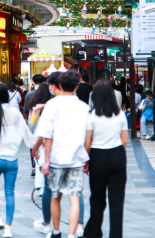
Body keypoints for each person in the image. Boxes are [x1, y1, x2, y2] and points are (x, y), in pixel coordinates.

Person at [38, 71, 90, 238]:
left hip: (56, 159)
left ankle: (56, 231)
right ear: (76, 86)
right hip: (76, 159)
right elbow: (88, 136)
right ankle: (73, 234)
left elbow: (47, 135)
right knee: (74, 197)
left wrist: (46, 160)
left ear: (59, 86)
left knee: (55, 196)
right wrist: (86, 157)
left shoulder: (51, 105)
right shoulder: (84, 107)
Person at [0, 84, 35, 238]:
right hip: (12, 159)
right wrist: (35, 148)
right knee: (9, 192)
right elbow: (27, 134)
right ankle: (9, 229)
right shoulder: (15, 113)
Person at [83, 80, 128, 238]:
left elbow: (87, 143)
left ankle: (94, 233)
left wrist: (86, 161)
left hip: (97, 157)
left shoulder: (92, 116)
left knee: (97, 198)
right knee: (117, 201)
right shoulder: (120, 114)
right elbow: (124, 141)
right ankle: (116, 235)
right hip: (117, 156)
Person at [28, 83, 53, 196]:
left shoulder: (34, 105)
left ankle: (40, 186)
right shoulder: (51, 104)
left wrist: (32, 132)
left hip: (37, 134)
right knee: (47, 158)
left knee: (38, 161)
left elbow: (31, 123)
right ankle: (49, 183)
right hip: (48, 135)